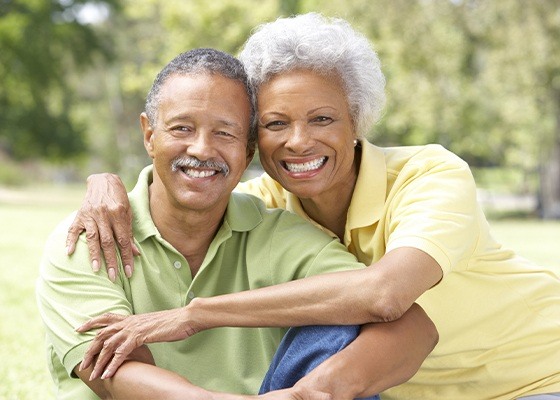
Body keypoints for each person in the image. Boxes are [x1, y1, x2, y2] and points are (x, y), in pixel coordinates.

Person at [67, 12, 560, 400]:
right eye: (276, 123)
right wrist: (104, 184)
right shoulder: (266, 205)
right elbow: (186, 184)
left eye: (322, 118)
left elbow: (384, 295)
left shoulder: (429, 174)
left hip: (535, 379)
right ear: (255, 138)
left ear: (356, 119)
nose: (298, 143)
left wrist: (196, 314)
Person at [37, 47, 435, 400]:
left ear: (247, 154)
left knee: (338, 332)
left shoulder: (280, 235)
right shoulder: (88, 237)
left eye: (224, 133)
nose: (201, 149)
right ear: (149, 134)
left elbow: (414, 328)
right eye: (182, 128)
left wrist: (310, 393)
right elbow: (113, 377)